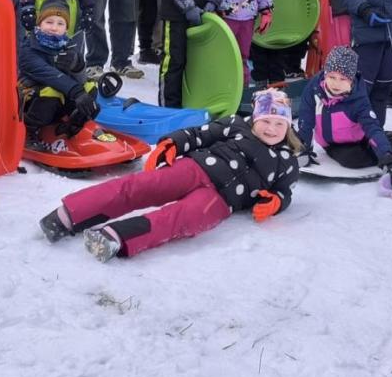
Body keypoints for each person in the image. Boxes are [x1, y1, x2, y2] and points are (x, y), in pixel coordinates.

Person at [38, 88, 301, 261]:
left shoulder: (287, 162)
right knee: (139, 186)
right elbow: (199, 133)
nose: (270, 129)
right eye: (265, 121)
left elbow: (284, 190)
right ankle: (68, 215)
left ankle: (115, 237)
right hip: (196, 168)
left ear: (287, 126)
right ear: (254, 119)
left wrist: (276, 202)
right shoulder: (236, 125)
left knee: (180, 219)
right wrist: (173, 143)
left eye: (279, 124)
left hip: (221, 201)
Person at [297, 45, 392, 171]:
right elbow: (305, 120)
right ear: (325, 74)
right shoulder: (314, 89)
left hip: (356, 140)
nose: (336, 83)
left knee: (353, 159)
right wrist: (303, 149)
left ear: (351, 79)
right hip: (330, 144)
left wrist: (388, 157)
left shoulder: (358, 98)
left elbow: (371, 126)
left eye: (343, 79)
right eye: (332, 77)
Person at [17, 0, 101, 153]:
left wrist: (78, 66)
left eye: (60, 23)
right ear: (39, 23)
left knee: (89, 88)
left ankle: (74, 125)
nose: (54, 28)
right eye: (49, 22)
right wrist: (76, 91)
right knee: (51, 91)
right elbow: (49, 74)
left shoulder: (68, 46)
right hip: (30, 100)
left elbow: (80, 82)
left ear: (66, 27)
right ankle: (28, 132)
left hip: (60, 98)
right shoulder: (28, 49)